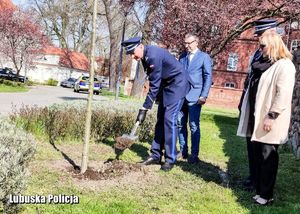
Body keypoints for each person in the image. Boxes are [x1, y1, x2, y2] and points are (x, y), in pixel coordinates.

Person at [237, 30, 296, 205]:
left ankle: (266, 195)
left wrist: (272, 116)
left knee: (268, 156)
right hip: (258, 116)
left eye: (263, 45)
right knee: (258, 155)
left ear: (273, 45)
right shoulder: (265, 63)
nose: (260, 48)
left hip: (271, 119)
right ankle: (260, 191)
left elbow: (283, 94)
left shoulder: (285, 65)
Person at [121, 37, 190, 171]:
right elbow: (155, 80)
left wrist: (145, 107)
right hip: (166, 86)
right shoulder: (145, 57)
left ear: (140, 46)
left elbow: (154, 85)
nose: (133, 57)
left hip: (177, 85)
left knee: (169, 120)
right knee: (160, 120)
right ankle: (155, 155)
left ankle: (170, 159)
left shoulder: (152, 56)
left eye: (133, 52)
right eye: (130, 54)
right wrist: (150, 103)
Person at [238, 19, 278, 191]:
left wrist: (272, 114)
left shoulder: (277, 57)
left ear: (271, 33)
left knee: (264, 148)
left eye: (261, 34)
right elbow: (250, 79)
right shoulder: (257, 53)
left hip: (264, 107)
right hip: (252, 103)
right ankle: (254, 177)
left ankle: (261, 183)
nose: (258, 39)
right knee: (252, 144)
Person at [177, 33, 212, 163]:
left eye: (189, 43)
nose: (187, 46)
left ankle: (194, 154)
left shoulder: (204, 57)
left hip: (195, 97)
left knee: (193, 125)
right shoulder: (182, 57)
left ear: (196, 42)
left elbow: (208, 77)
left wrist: (204, 95)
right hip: (181, 96)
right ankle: (183, 150)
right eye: (185, 43)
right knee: (180, 124)